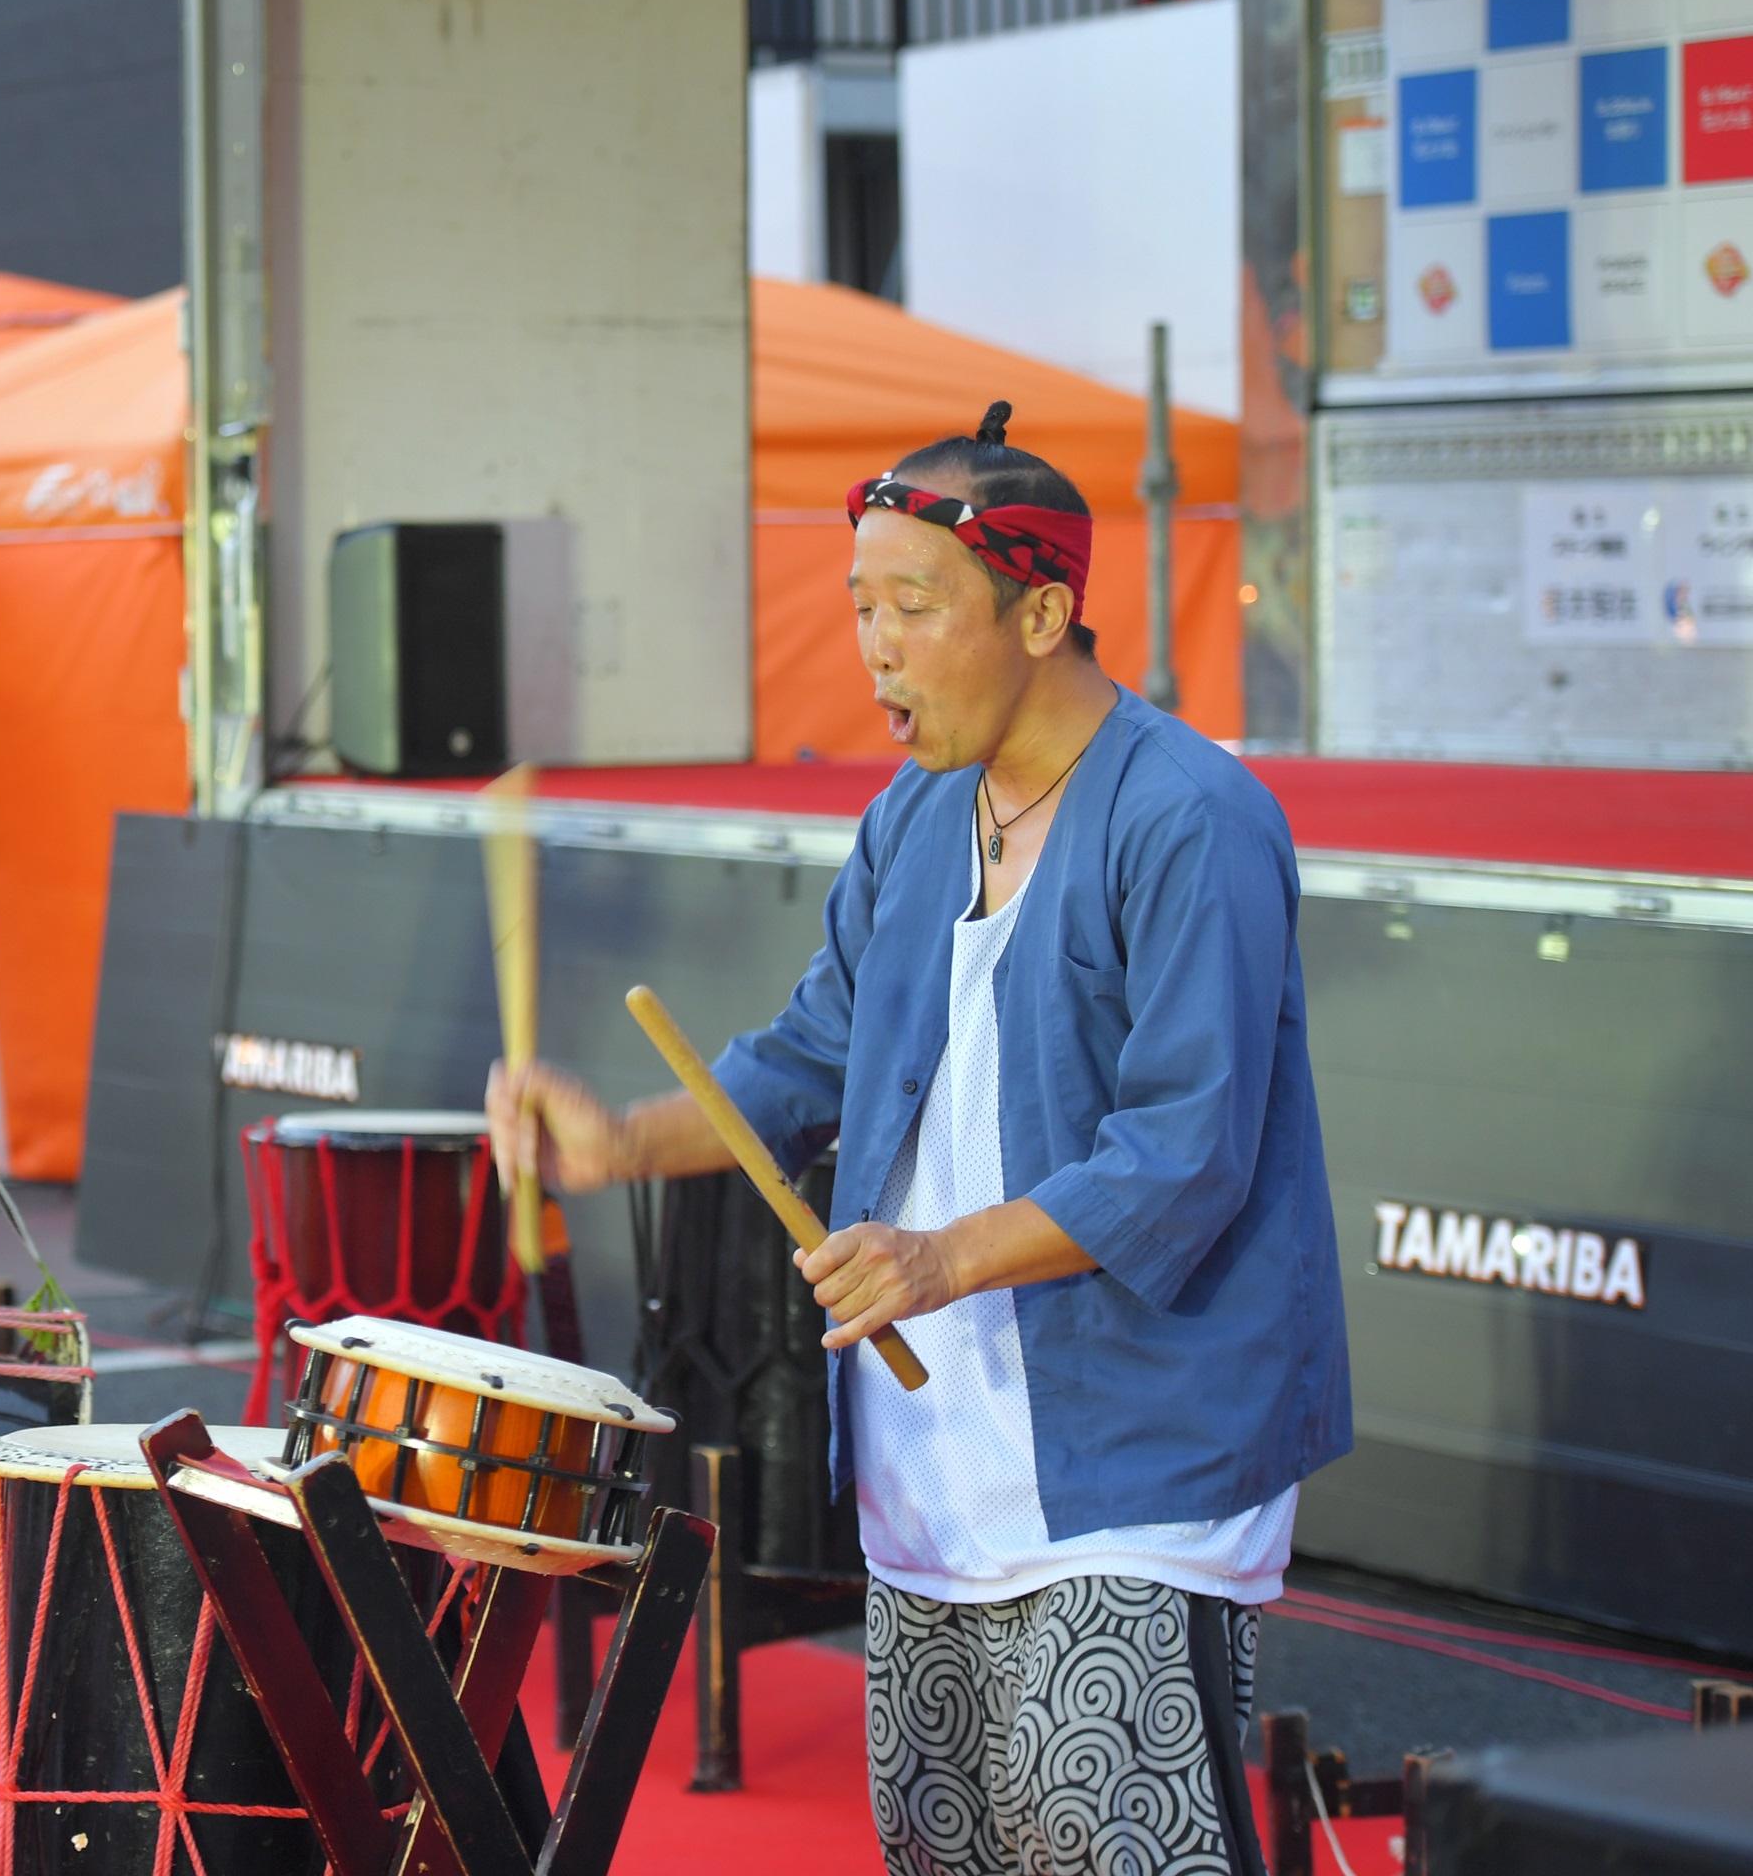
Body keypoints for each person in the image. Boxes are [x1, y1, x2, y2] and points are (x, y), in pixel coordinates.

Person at [490, 404, 1348, 1876]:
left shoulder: (1191, 816)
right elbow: (816, 1051)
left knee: (1111, 1844)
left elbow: (1188, 1151)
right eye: (859, 608)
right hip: (934, 1463)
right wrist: (622, 1144)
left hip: (1132, 1464)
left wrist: (944, 1256)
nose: (875, 648)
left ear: (1042, 612)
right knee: (948, 1850)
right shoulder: (914, 815)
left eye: (915, 607)